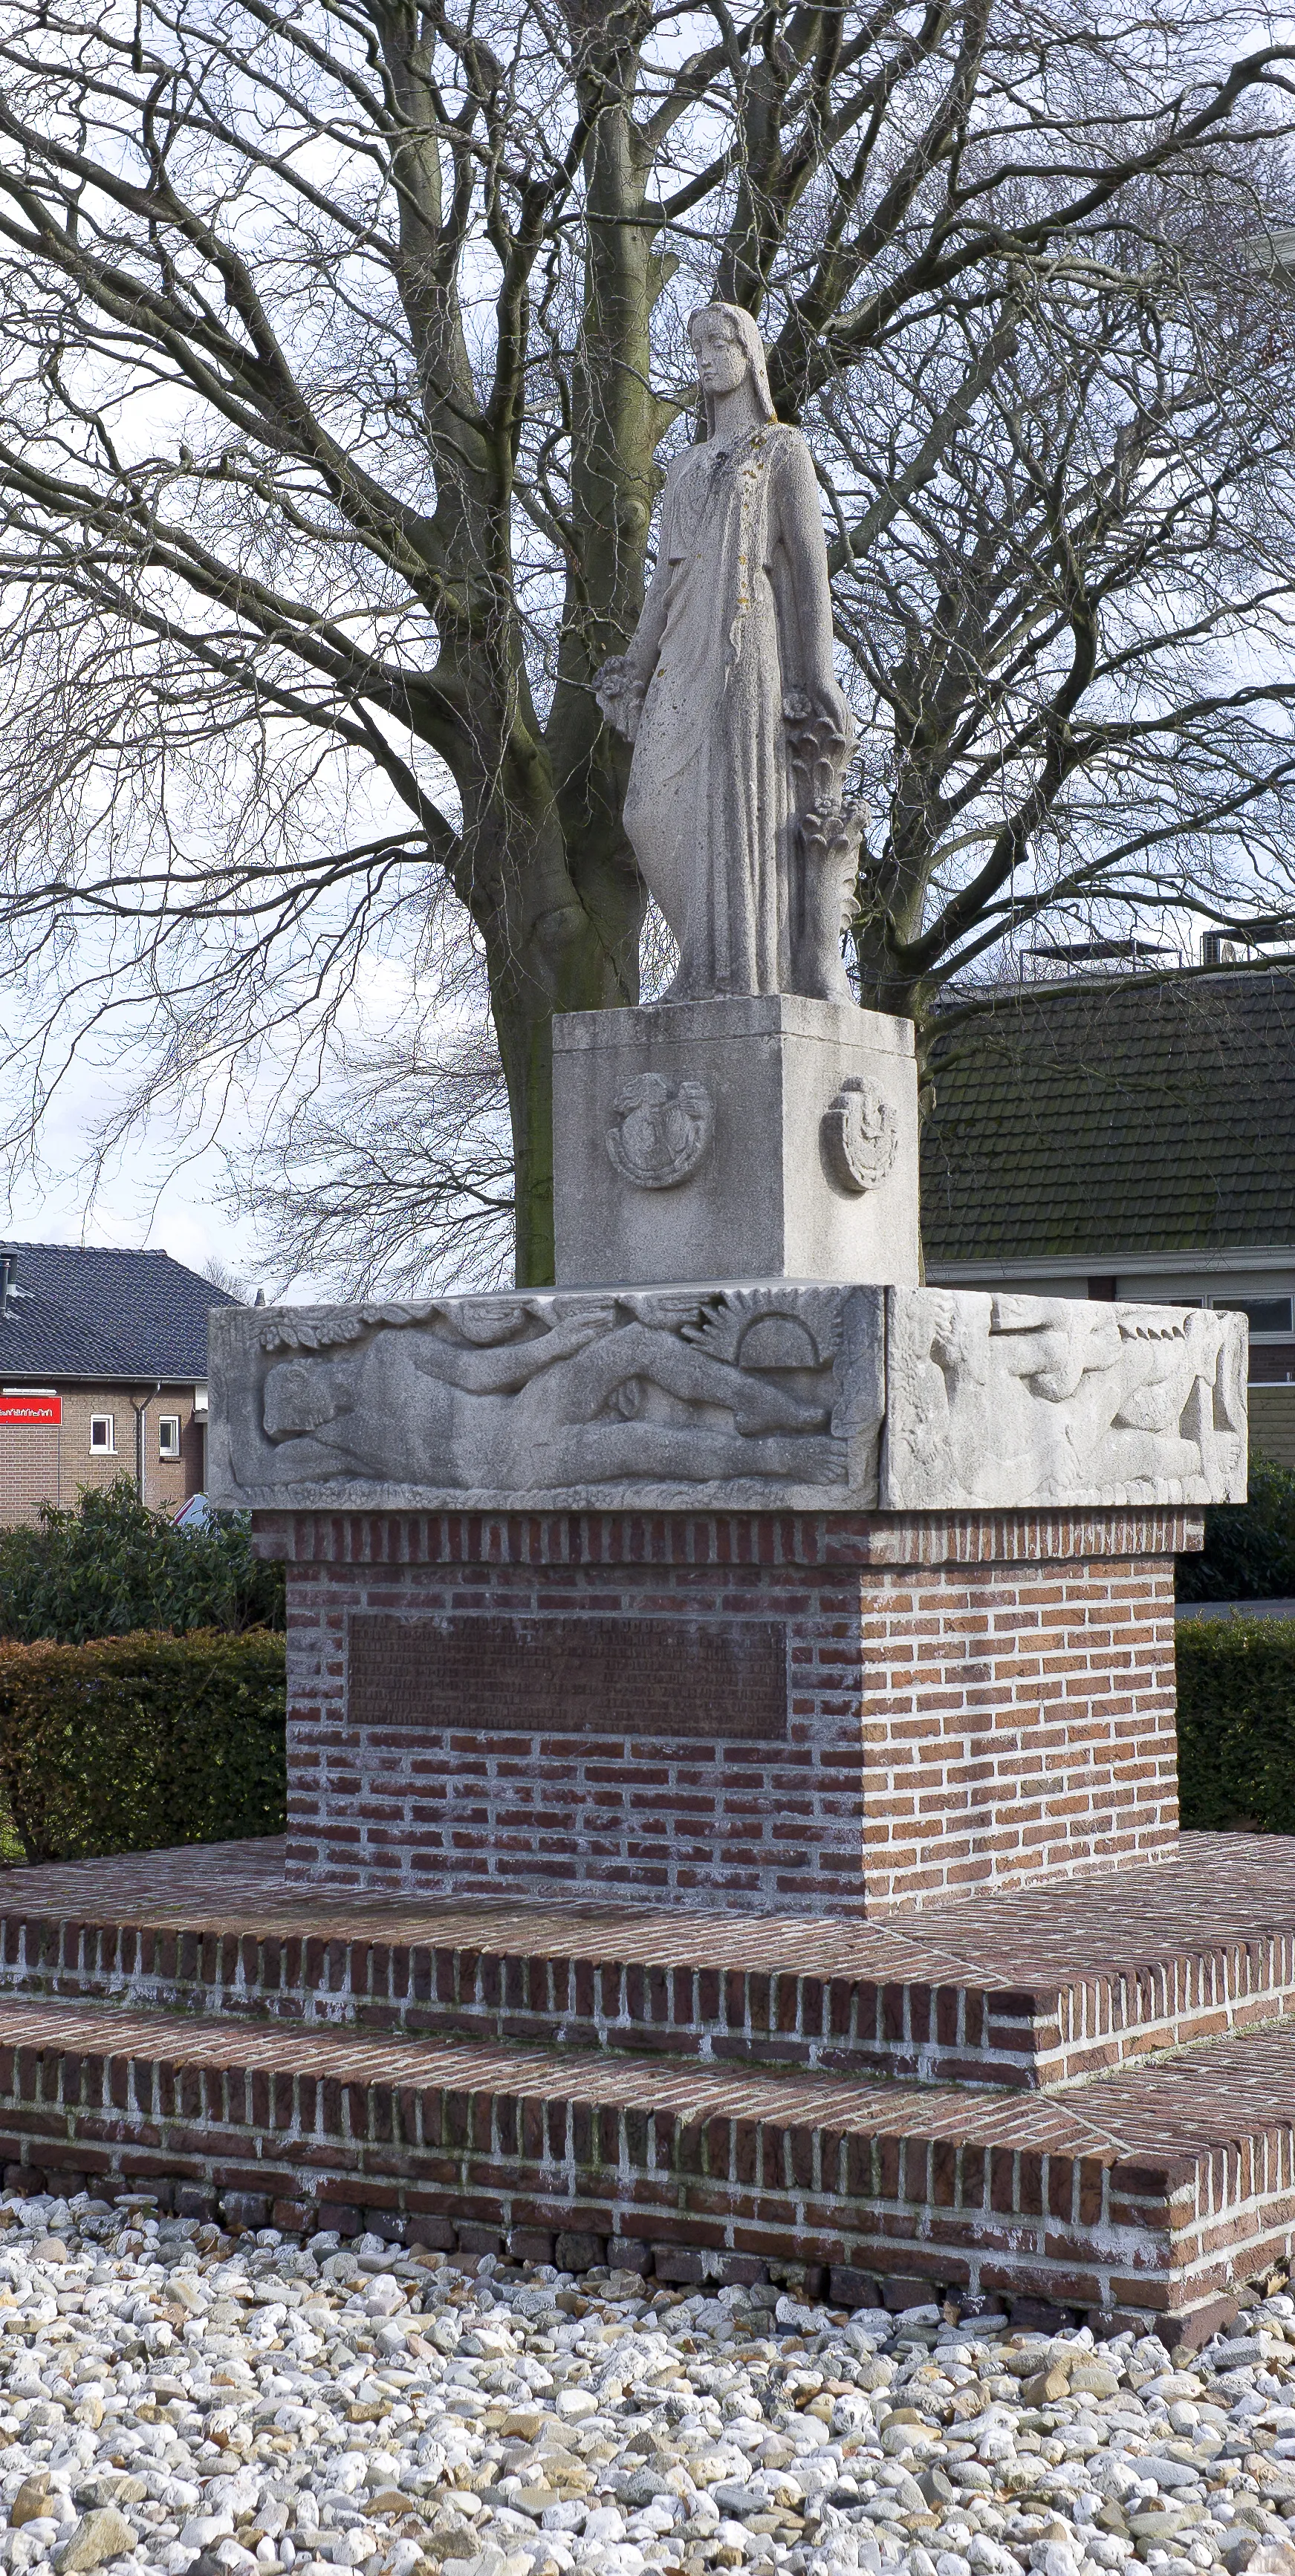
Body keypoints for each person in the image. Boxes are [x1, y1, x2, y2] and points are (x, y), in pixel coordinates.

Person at [597, 302, 860, 1004]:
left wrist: (821, 670)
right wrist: (635, 663)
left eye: (720, 344)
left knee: (742, 808)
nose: (707, 358)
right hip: (684, 643)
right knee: (647, 810)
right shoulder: (684, 467)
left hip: (750, 644)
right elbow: (664, 575)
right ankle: (703, 962)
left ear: (749, 355)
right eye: (696, 347)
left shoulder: (782, 450)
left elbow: (808, 562)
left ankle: (731, 973)